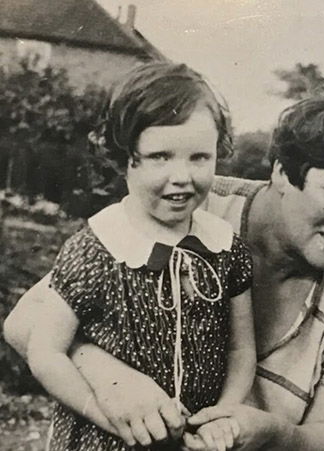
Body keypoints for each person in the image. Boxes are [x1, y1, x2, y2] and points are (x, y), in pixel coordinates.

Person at [4, 94, 324, 450]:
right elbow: (25, 323)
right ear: (282, 172)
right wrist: (113, 379)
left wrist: (274, 435)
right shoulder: (192, 205)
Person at [20, 62, 256, 450]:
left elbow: (241, 349)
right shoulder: (97, 247)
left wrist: (223, 417)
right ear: (124, 157)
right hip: (103, 440)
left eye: (199, 157)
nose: (181, 175)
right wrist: (101, 411)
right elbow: (45, 351)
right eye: (161, 157)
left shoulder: (225, 248)